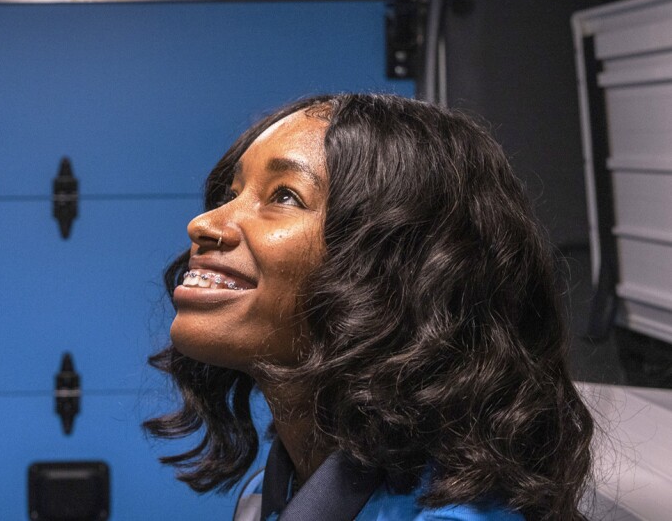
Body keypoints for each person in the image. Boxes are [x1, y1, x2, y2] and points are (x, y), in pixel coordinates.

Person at [144, 93, 593, 521]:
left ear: (401, 273)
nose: (203, 224)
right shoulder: (267, 492)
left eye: (284, 196)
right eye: (231, 194)